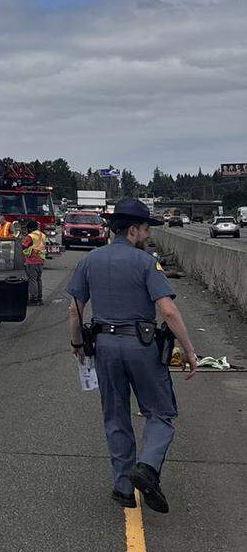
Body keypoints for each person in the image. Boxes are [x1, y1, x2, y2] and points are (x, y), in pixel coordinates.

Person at [66, 198, 199, 513]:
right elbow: (167, 310)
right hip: (141, 346)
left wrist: (77, 345)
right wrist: (189, 350)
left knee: (115, 416)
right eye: (146, 229)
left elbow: (75, 310)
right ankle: (147, 467)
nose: (148, 234)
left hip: (105, 348)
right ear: (133, 230)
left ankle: (123, 487)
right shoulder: (145, 262)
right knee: (161, 413)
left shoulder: (89, 260)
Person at [21, 219, 45, 304]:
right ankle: (39, 297)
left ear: (30, 229)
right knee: (38, 279)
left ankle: (33, 298)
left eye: (27, 228)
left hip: (32, 260)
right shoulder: (42, 235)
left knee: (32, 280)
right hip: (41, 260)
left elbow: (23, 246)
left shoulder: (30, 236)